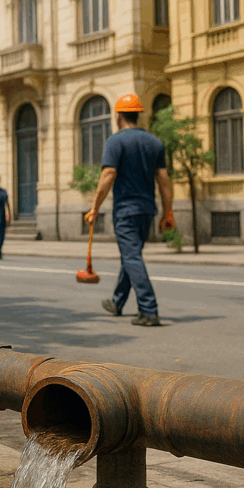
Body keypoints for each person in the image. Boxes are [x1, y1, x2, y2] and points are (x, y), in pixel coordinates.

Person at [85, 94, 174, 326]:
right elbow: (164, 180)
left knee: (131, 256)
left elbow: (108, 175)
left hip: (126, 211)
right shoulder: (155, 142)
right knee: (131, 255)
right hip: (147, 211)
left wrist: (94, 207)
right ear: (138, 113)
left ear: (118, 115)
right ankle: (117, 301)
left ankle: (149, 309)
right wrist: (168, 212)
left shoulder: (116, 141)